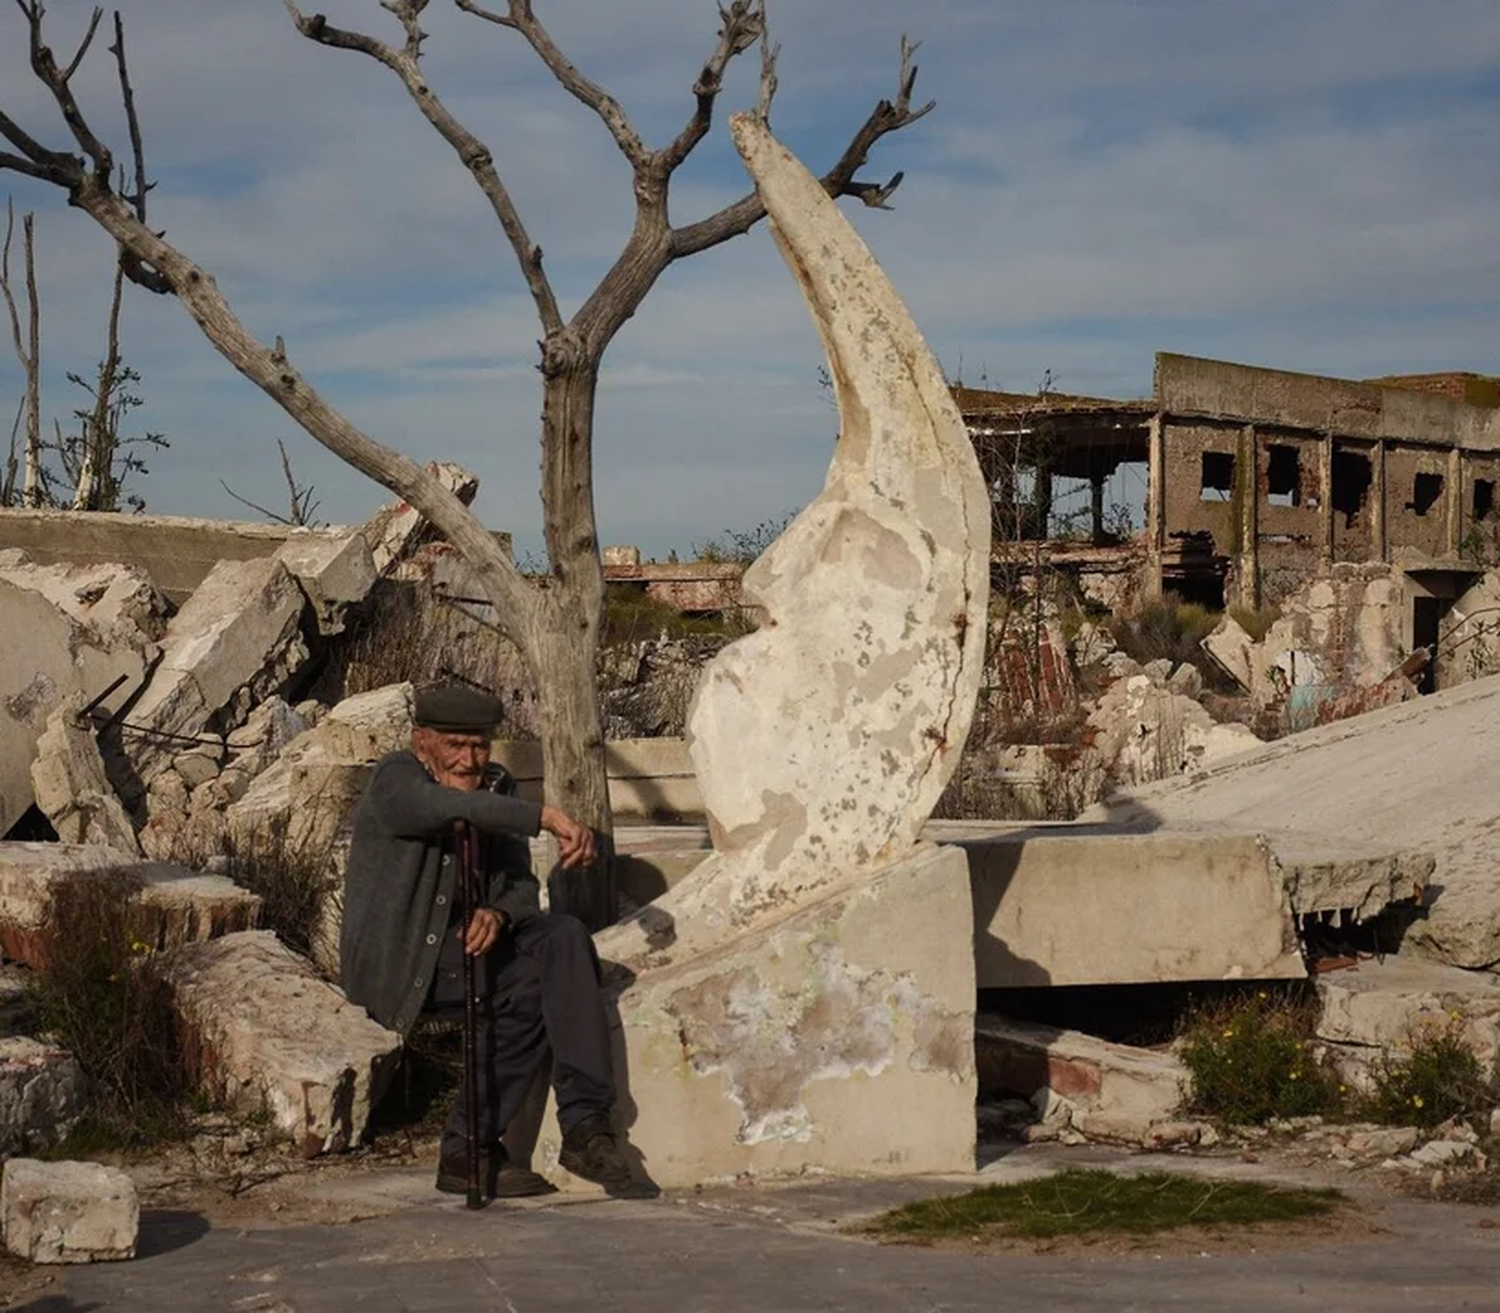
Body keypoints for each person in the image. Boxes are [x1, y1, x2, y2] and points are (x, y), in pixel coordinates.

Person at [341, 683, 633, 1198]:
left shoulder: (497, 785)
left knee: (562, 939)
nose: (469, 759)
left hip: (469, 956)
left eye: (479, 746)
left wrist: (498, 914)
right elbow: (439, 808)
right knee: (523, 990)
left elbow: (521, 886)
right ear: (422, 742)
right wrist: (545, 818)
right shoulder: (395, 778)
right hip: (405, 967)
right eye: (455, 745)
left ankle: (586, 1128)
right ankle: (465, 1146)